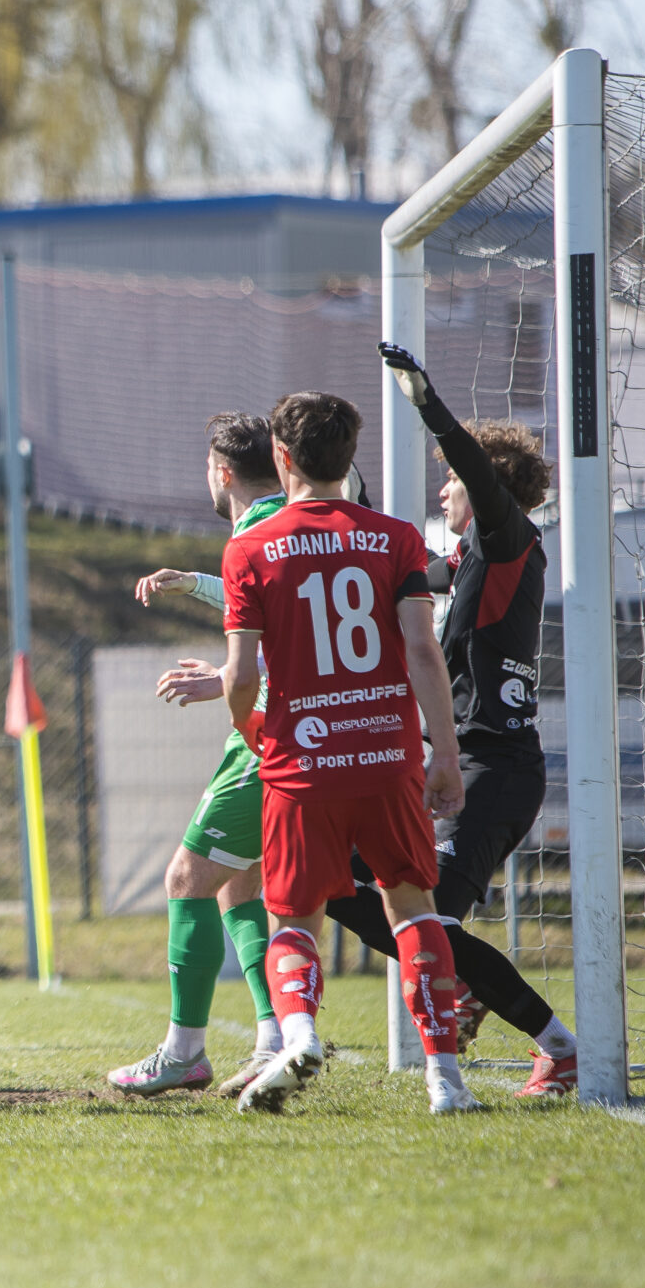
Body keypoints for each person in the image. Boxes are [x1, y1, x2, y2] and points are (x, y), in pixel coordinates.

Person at [329, 344, 577, 1096]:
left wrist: (427, 405)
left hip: (496, 770)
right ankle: (464, 984)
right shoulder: (470, 556)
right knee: (342, 882)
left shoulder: (508, 538)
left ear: (486, 488)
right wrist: (352, 511)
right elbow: (399, 574)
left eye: (451, 482)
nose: (443, 493)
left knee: (424, 911)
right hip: (456, 760)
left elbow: (471, 467)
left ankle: (558, 1045)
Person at [219, 391, 475, 1115]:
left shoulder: (250, 548)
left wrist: (253, 731)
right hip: (387, 757)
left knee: (294, 917)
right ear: (348, 458)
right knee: (414, 910)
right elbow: (423, 650)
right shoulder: (395, 538)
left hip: (301, 763)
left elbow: (239, 677)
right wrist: (445, 751)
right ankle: (446, 1081)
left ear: (282, 457)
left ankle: (298, 1035)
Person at [102, 414, 298, 1099]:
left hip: (268, 729)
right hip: (302, 725)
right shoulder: (292, 518)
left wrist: (219, 681)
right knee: (239, 884)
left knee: (186, 875)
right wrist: (193, 583)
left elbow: (272, 641)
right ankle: (275, 1035)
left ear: (221, 471)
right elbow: (273, 607)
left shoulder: (252, 532)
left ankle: (184, 1050)